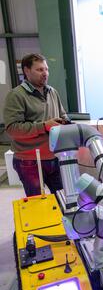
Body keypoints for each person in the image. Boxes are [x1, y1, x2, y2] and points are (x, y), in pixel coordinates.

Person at [3, 53, 70, 196]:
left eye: (46, 69)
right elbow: (12, 128)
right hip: (30, 161)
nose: (45, 73)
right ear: (27, 71)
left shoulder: (52, 92)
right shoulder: (16, 95)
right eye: (40, 70)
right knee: (38, 204)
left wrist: (66, 122)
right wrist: (44, 126)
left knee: (64, 200)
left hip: (54, 157)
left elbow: (62, 114)